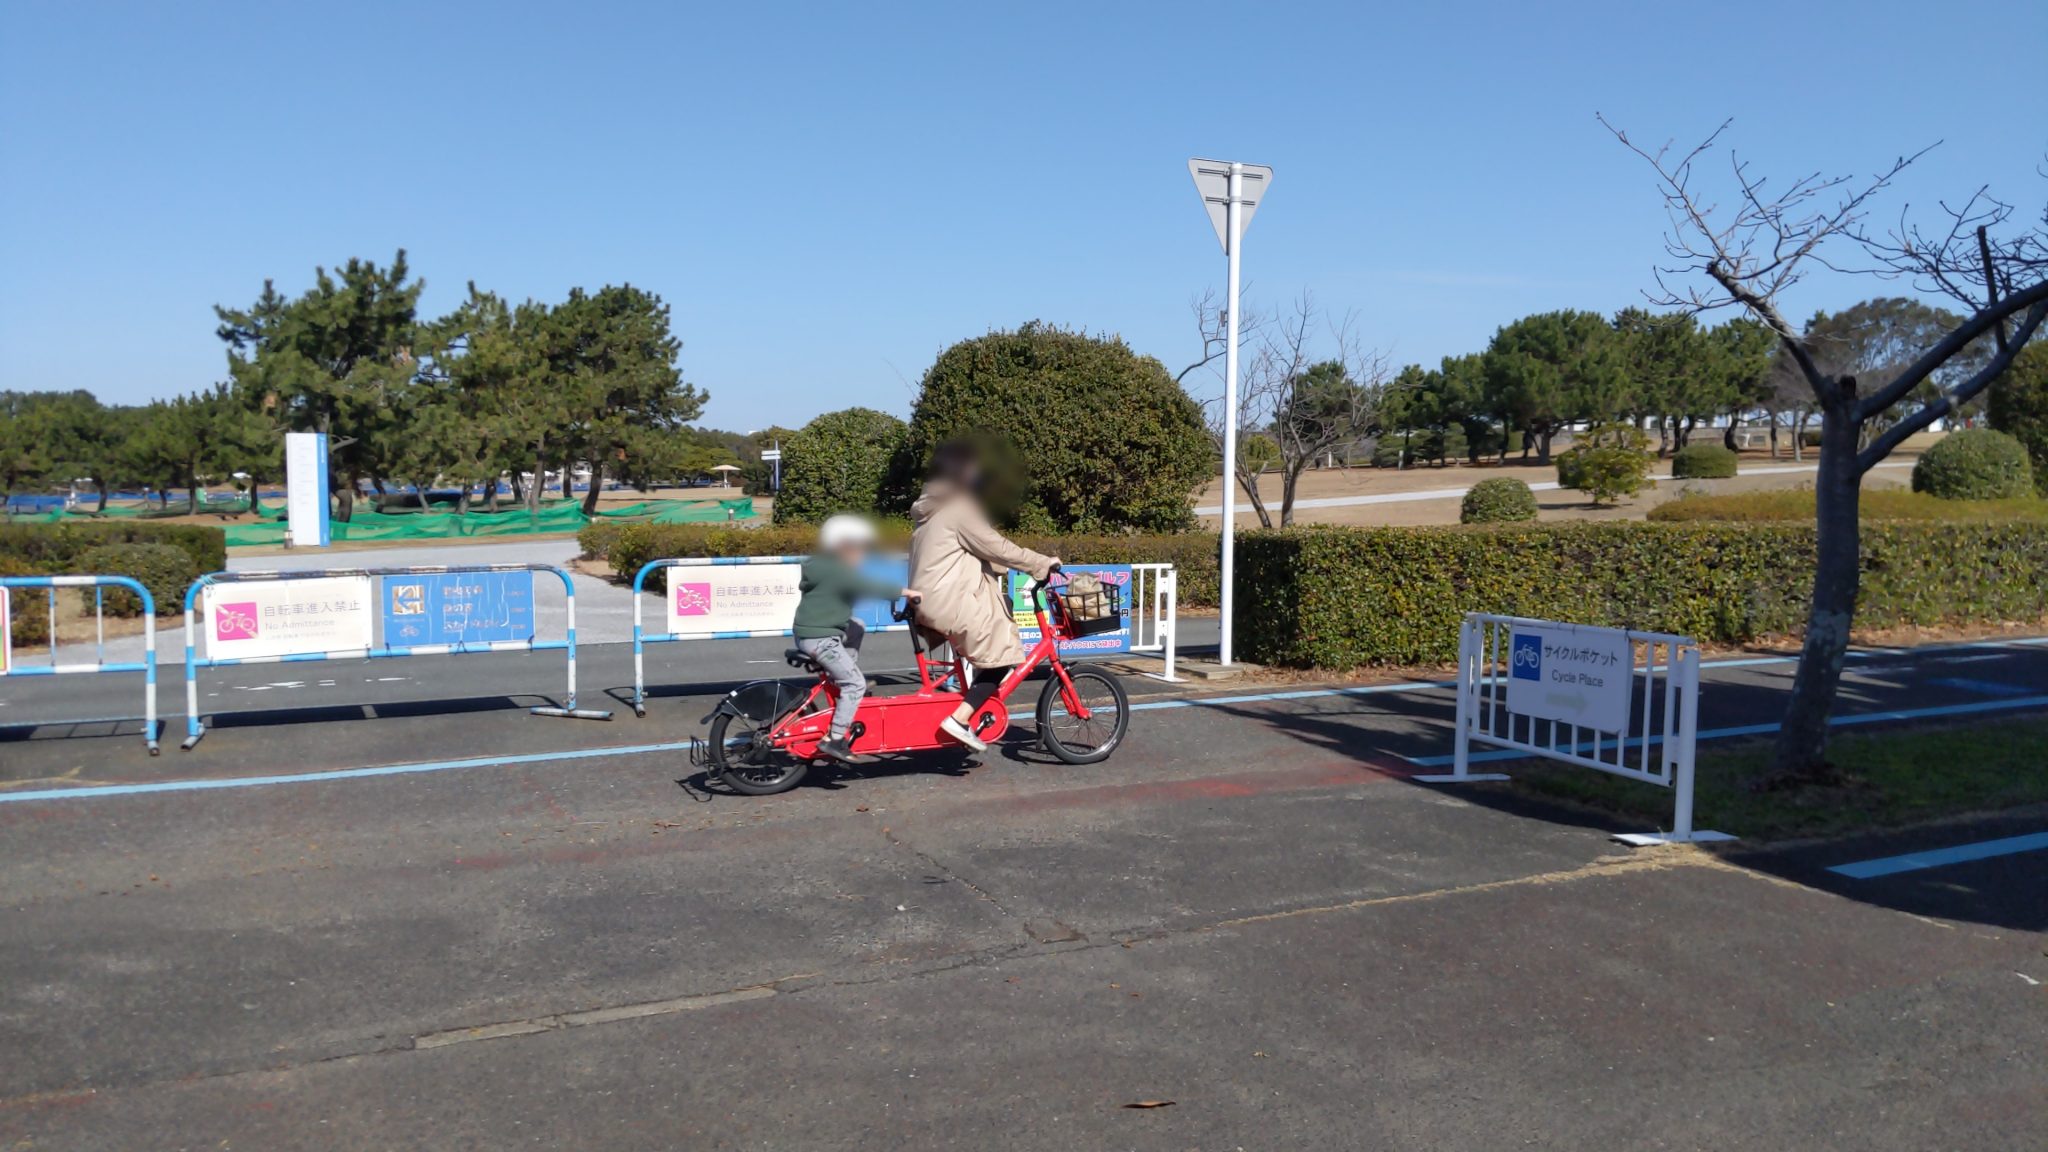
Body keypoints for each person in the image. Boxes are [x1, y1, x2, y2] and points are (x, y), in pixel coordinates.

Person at [908, 441, 1059, 752]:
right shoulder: (960, 508)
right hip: (952, 600)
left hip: (931, 600)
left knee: (989, 650)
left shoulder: (931, 512)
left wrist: (1004, 568)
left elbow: (972, 552)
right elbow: (995, 545)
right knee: (1004, 654)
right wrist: (1041, 564)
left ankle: (968, 712)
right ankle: (960, 719)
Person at [794, 514, 920, 764]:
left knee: (857, 625)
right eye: (860, 550)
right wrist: (907, 592)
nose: (862, 556)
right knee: (856, 685)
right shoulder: (839, 570)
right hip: (821, 639)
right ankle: (836, 738)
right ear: (846, 548)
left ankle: (844, 677)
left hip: (811, 633)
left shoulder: (823, 566)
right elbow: (870, 586)